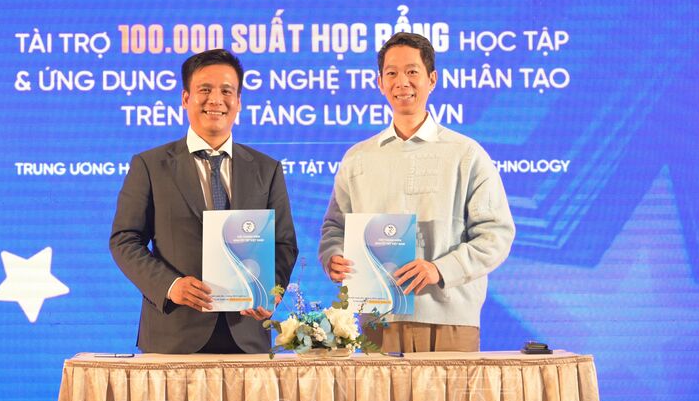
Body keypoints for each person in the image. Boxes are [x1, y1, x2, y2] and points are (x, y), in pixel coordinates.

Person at [319, 33, 515, 352]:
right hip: (378, 319)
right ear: (380, 83)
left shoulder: (466, 154)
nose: (402, 82)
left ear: (432, 79)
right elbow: (334, 228)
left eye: (412, 72)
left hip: (450, 321)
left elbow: (496, 235)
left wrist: (439, 269)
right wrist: (333, 258)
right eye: (392, 73)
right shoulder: (357, 158)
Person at [110, 49, 298, 354]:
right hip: (174, 334)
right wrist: (171, 286)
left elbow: (284, 243)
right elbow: (124, 240)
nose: (216, 100)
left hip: (247, 335)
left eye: (227, 91)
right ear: (186, 98)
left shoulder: (267, 169)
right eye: (205, 90)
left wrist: (271, 292)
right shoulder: (150, 165)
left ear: (238, 101)